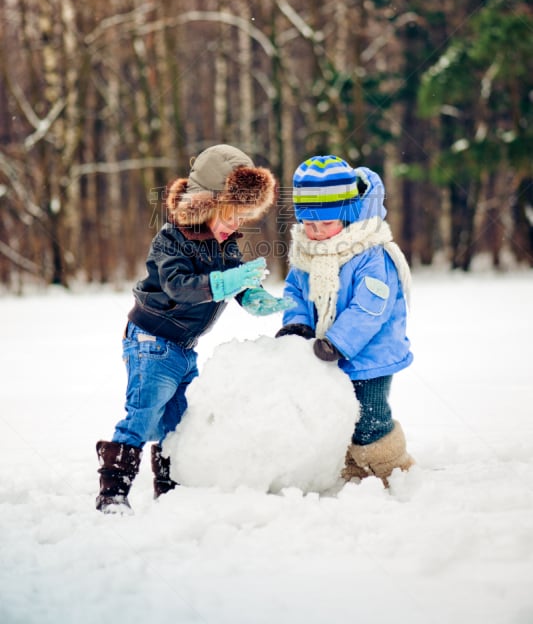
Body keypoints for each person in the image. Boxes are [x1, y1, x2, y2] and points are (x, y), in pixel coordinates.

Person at [96, 144, 292, 513]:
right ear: (205, 204)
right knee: (143, 413)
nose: (236, 225)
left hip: (184, 349)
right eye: (230, 214)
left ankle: (169, 491)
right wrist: (223, 281)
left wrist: (253, 297)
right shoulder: (171, 240)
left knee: (178, 423)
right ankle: (113, 492)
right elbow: (179, 287)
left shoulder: (225, 243)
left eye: (242, 217)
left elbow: (237, 284)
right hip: (151, 343)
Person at [276, 155, 414, 486]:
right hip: (328, 354)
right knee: (341, 415)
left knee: (370, 417)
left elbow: (370, 307)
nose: (317, 232)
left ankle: (392, 469)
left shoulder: (370, 253)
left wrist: (339, 342)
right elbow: (295, 291)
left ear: (348, 216)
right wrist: (298, 325)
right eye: (309, 225)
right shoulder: (306, 255)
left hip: (370, 357)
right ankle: (353, 468)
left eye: (326, 224)